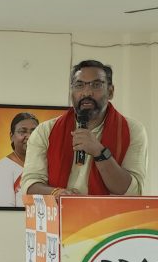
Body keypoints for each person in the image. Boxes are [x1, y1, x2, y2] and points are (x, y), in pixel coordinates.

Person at [23, 59, 149, 197]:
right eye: (79, 85)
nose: (87, 92)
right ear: (71, 91)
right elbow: (29, 185)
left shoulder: (133, 131)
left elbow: (132, 191)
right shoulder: (45, 131)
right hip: (61, 210)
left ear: (110, 92)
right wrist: (57, 193)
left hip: (106, 212)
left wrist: (100, 152)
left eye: (96, 85)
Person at [0, 112, 38, 207]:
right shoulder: (4, 166)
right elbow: (4, 210)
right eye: (22, 131)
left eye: (34, 132)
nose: (29, 136)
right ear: (11, 136)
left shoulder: (45, 164)